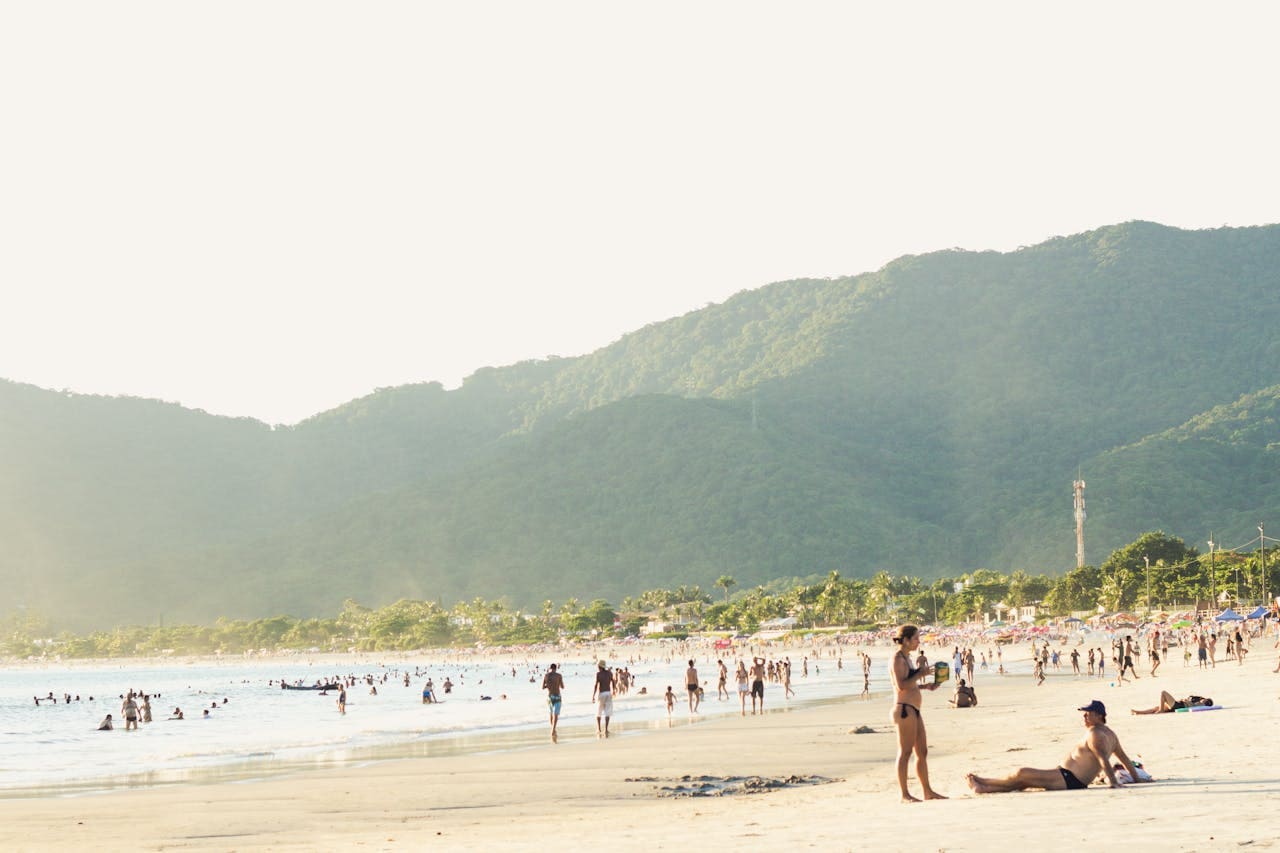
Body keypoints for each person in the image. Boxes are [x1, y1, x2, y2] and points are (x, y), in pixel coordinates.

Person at [966, 700, 1147, 793]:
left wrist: (1114, 783)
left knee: (1020, 773)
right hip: (1070, 778)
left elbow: (1103, 759)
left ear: (1099, 715)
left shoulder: (1095, 734)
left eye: (1087, 714)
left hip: (1069, 778)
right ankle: (983, 787)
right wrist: (1137, 779)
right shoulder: (1109, 733)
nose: (1084, 717)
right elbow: (1123, 759)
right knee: (1023, 782)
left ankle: (984, 781)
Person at [889, 624, 945, 802]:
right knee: (905, 752)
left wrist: (925, 685)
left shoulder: (907, 658)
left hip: (914, 709)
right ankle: (904, 794)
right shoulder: (898, 659)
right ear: (905, 640)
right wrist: (921, 673)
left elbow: (910, 683)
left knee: (922, 751)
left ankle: (927, 791)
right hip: (904, 709)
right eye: (915, 638)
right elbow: (901, 685)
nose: (918, 642)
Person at [1130, 690, 1213, 714]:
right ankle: (1138, 712)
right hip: (1178, 705)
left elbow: (1193, 706)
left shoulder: (1202, 704)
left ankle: (1161, 711)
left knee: (1163, 693)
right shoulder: (1199, 701)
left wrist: (1186, 701)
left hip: (1179, 705)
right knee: (1156, 708)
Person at [541, 663, 564, 740]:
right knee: (556, 714)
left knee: (551, 713)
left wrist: (548, 685)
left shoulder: (546, 676)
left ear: (550, 668)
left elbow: (542, 687)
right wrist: (557, 684)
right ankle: (553, 730)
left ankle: (553, 729)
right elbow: (562, 687)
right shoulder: (559, 676)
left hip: (550, 696)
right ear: (556, 668)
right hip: (557, 696)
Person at [592, 660, 613, 737]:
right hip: (608, 693)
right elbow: (613, 682)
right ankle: (606, 729)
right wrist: (614, 690)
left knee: (598, 711)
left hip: (601, 694)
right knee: (607, 712)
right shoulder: (610, 673)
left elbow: (596, 685)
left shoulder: (598, 674)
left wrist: (593, 695)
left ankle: (599, 728)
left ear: (600, 666)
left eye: (598, 666)